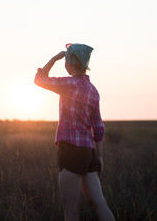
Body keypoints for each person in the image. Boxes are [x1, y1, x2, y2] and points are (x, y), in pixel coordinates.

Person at [34, 43, 115, 221]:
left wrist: (54, 58)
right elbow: (98, 127)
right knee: (100, 204)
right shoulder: (93, 90)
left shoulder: (68, 83)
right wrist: (99, 157)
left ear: (69, 62)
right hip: (89, 153)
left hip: (71, 150)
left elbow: (39, 80)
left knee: (71, 211)